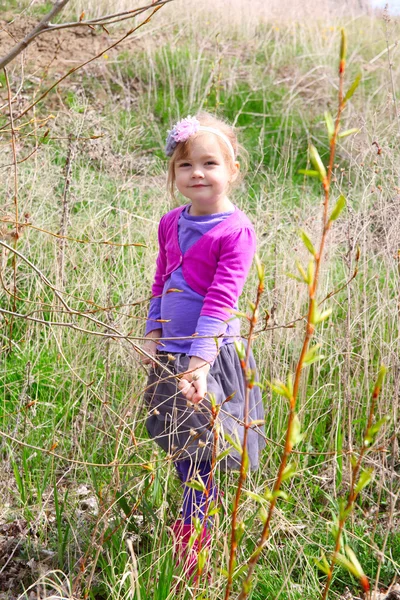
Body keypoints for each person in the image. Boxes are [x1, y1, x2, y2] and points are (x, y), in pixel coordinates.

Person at [142, 112, 265, 576]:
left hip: (208, 360)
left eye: (210, 164)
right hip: (171, 354)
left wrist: (197, 364)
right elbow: (162, 281)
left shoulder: (234, 232)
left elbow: (219, 302)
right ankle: (191, 526)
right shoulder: (171, 222)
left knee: (205, 454)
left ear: (233, 170)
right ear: (173, 175)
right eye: (185, 165)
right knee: (181, 449)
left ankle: (195, 545)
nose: (197, 173)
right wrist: (153, 333)